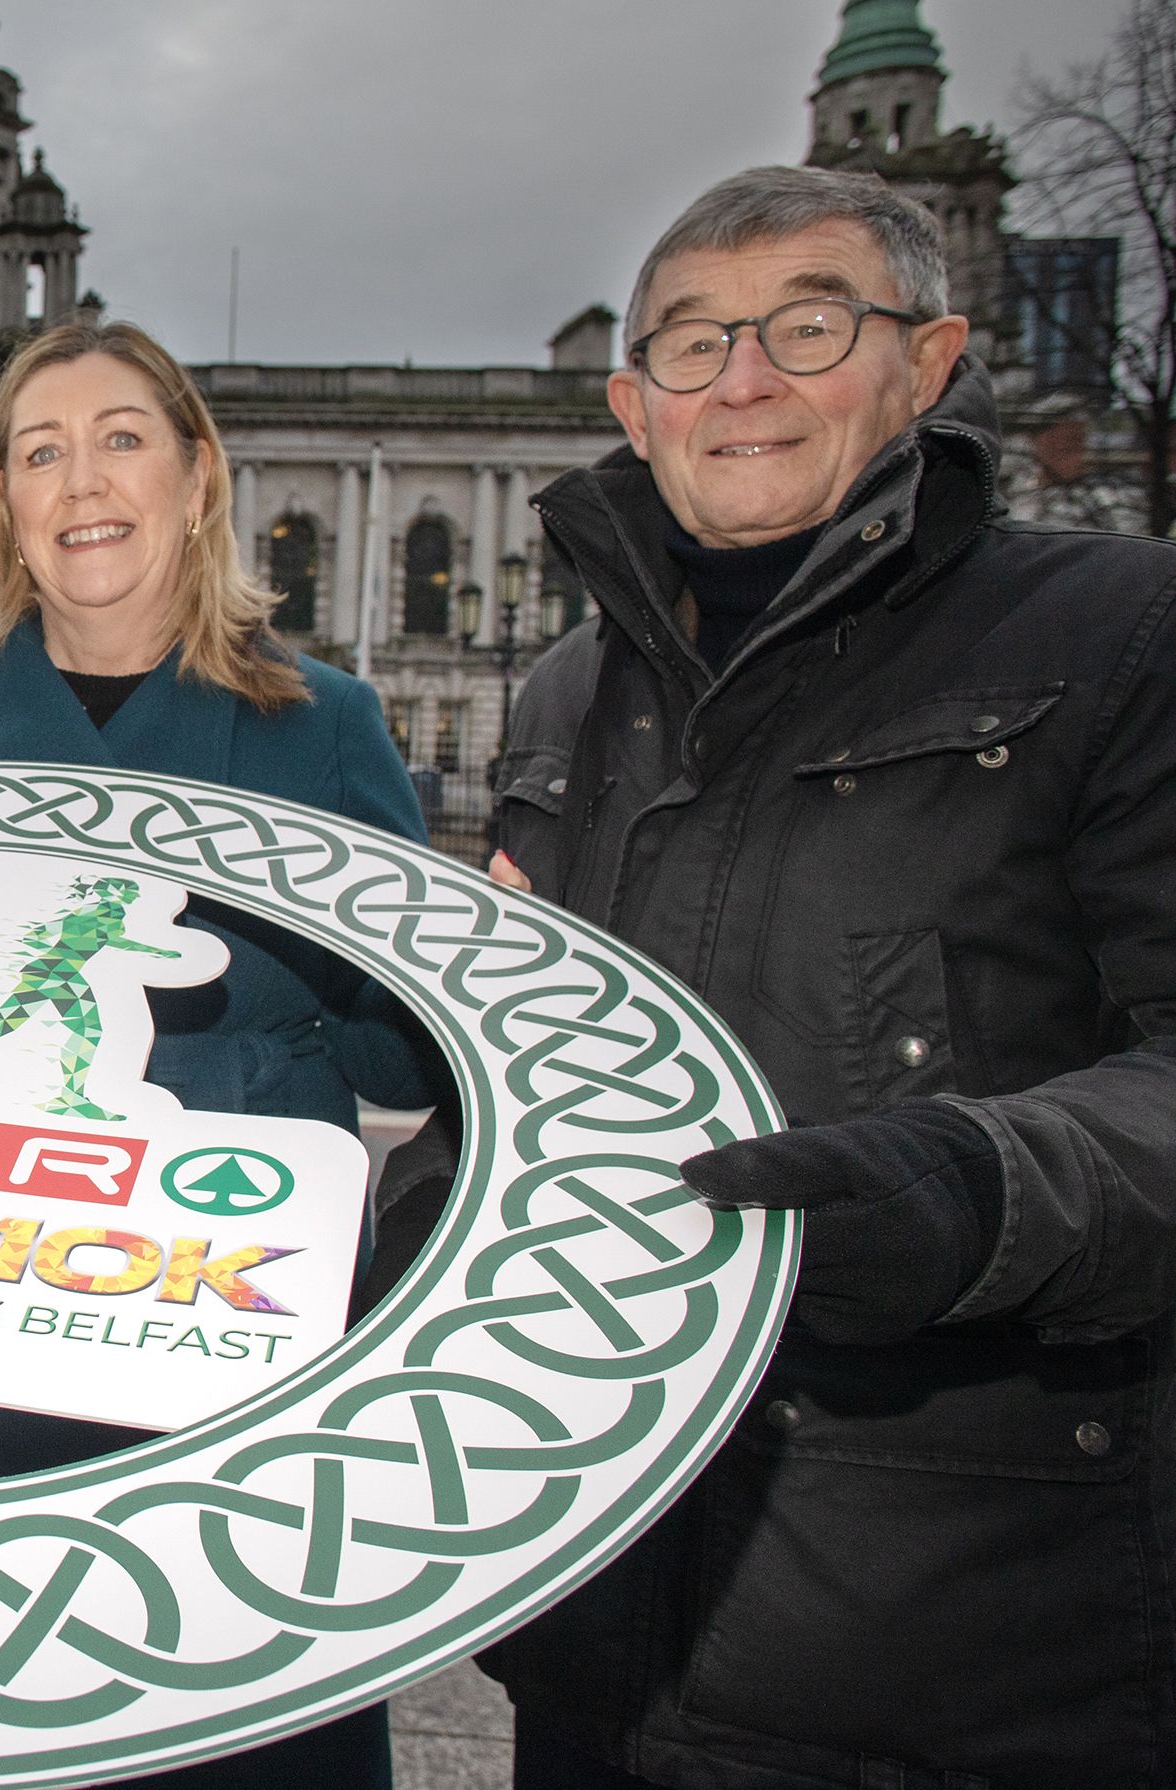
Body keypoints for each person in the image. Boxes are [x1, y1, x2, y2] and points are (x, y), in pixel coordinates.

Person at [476, 165, 1176, 1787]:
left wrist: (977, 1190)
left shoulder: (1127, 634)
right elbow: (539, 1058)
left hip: (948, 1629)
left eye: (807, 326)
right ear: (632, 402)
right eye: (694, 342)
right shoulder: (569, 688)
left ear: (926, 362)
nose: (744, 383)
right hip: (593, 1593)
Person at [0, 317, 446, 1789]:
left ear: (195, 478)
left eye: (122, 438)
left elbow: (403, 1064)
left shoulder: (326, 725)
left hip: (237, 1319)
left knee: (240, 1722)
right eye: (40, 452)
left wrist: (451, 962)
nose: (83, 481)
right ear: (4, 503)